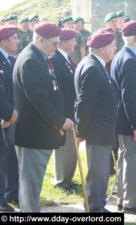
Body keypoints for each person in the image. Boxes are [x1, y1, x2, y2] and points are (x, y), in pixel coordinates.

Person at [11, 22, 74, 212]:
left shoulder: (39, 57)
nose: (57, 47)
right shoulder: (31, 60)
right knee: (31, 185)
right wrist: (59, 120)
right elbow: (39, 99)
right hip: (33, 134)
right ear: (40, 40)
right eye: (54, 43)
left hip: (38, 133)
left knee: (32, 184)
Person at [111, 20, 136, 215]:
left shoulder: (122, 55)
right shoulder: (129, 59)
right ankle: (133, 202)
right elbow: (128, 96)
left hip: (123, 120)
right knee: (133, 162)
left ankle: (123, 199)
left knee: (125, 160)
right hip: (130, 121)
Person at [74, 30, 117, 213]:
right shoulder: (92, 68)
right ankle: (95, 207)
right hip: (97, 130)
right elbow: (85, 103)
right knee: (98, 172)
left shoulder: (95, 64)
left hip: (101, 128)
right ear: (102, 48)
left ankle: (97, 204)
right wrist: (81, 131)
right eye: (113, 45)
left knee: (101, 170)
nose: (116, 48)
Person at [50, 28, 79, 193]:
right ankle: (61, 182)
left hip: (71, 111)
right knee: (64, 148)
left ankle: (68, 179)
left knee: (72, 148)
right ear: (64, 42)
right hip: (64, 112)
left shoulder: (66, 59)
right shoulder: (55, 59)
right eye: (73, 40)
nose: (76, 43)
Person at [0, 25, 19, 212]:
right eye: (14, 38)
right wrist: (7, 113)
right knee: (1, 159)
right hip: (4, 118)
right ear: (4, 42)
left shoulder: (10, 60)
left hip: (11, 118)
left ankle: (12, 193)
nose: (17, 41)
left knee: (11, 157)